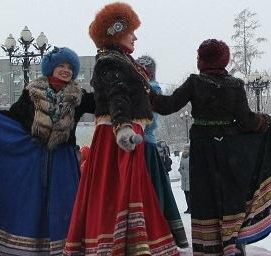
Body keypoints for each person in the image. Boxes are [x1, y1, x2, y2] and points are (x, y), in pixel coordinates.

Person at [150, 38, 271, 255]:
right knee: (231, 196)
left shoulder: (194, 82)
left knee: (205, 197)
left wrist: (145, 93)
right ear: (224, 60)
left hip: (202, 151)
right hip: (230, 151)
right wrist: (265, 121)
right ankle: (233, 245)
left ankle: (209, 248)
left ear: (202, 60)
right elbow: (246, 121)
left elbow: (168, 105)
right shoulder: (235, 85)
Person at [0, 47, 95, 254]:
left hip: (63, 163)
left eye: (70, 67)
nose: (65, 70)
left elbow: (101, 105)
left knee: (65, 209)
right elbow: (13, 117)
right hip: (33, 162)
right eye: (61, 65)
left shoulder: (79, 96)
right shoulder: (32, 92)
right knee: (28, 205)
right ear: (51, 67)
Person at [64, 3, 179, 254]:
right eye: (131, 31)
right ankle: (114, 245)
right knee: (115, 192)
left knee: (126, 192)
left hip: (127, 135)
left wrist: (190, 94)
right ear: (116, 32)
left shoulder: (126, 62)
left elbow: (152, 102)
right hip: (117, 137)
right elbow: (118, 95)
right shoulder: (110, 61)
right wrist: (122, 127)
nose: (135, 36)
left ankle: (130, 245)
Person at [136, 56, 188, 247]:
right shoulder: (142, 86)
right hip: (139, 145)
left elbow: (151, 122)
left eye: (145, 68)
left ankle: (153, 232)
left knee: (150, 191)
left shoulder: (152, 89)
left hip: (146, 146)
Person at [178, 144, 191, 214]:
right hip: (185, 179)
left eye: (186, 149)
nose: (185, 150)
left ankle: (191, 208)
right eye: (184, 149)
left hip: (188, 178)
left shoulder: (189, 156)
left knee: (189, 195)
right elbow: (180, 168)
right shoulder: (183, 157)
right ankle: (189, 208)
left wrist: (184, 171)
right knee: (187, 195)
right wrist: (182, 172)